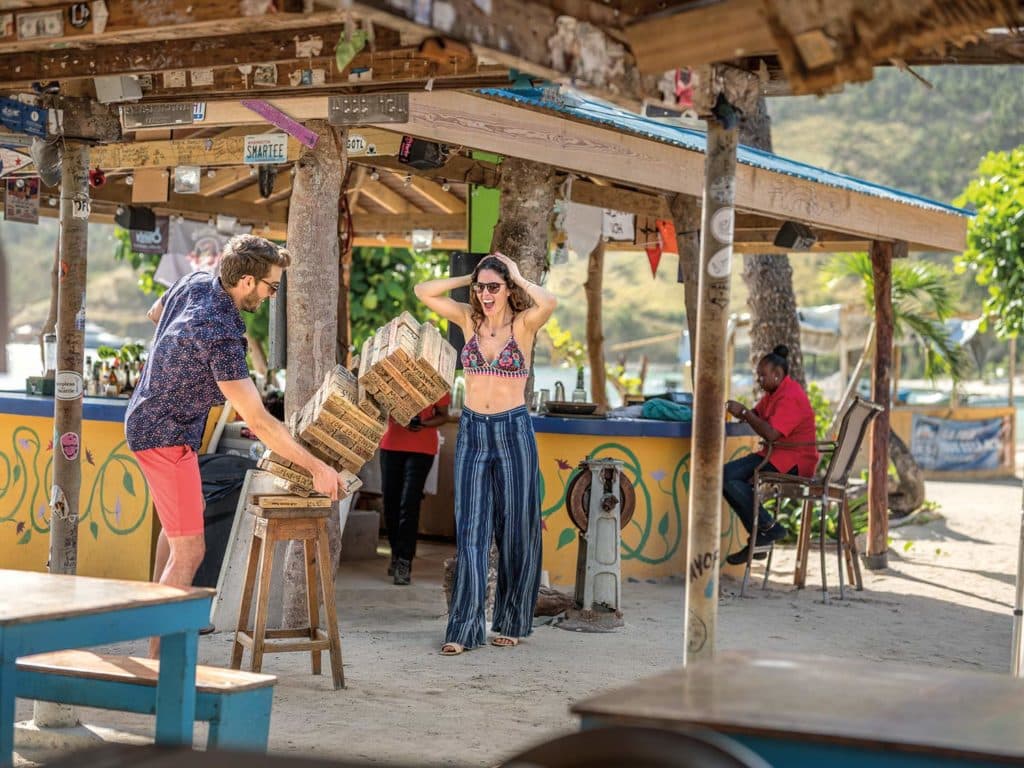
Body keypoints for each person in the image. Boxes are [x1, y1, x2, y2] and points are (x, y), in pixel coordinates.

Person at [126, 234, 347, 656]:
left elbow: (155, 313)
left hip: (150, 420)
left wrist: (178, 362)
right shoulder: (222, 333)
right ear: (247, 281)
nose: (270, 295)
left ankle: (157, 621)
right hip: (165, 435)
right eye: (271, 287)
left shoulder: (194, 282)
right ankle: (159, 663)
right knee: (191, 551)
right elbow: (260, 422)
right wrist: (317, 467)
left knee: (175, 538)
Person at [414, 253, 557, 655]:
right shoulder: (467, 319)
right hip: (474, 429)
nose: (485, 294)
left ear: (508, 289)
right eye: (481, 288)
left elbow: (549, 302)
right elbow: (421, 291)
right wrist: (470, 276)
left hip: (514, 428)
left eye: (494, 287)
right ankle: (463, 628)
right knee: (472, 529)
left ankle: (511, 621)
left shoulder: (524, 325)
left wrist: (516, 275)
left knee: (515, 528)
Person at [723, 345, 818, 566]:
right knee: (727, 480)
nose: (759, 380)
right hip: (776, 455)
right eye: (758, 376)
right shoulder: (774, 393)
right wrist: (743, 412)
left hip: (793, 460)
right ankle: (762, 533)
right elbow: (758, 414)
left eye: (762, 376)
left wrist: (745, 413)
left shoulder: (790, 396)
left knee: (727, 477)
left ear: (777, 374)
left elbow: (772, 433)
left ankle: (768, 528)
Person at [380, 393, 451, 585]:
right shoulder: (391, 376)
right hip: (391, 444)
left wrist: (423, 423)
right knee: (390, 502)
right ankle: (396, 554)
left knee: (409, 503)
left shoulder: (436, 380)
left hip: (422, 448)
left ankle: (404, 561)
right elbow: (377, 405)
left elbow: (444, 415)